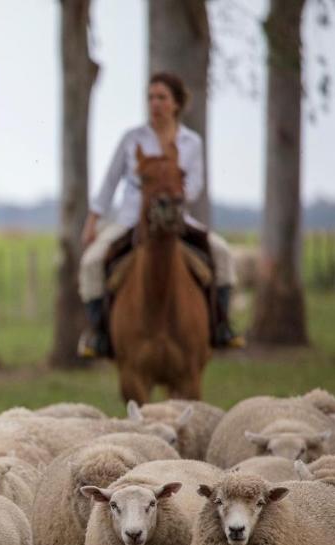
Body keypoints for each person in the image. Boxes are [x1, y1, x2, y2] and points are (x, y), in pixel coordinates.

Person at [77, 71, 243, 358]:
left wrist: (172, 199)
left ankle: (221, 326)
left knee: (223, 254)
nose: (155, 103)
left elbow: (195, 184)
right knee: (91, 263)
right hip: (131, 219)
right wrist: (93, 221)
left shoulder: (192, 143)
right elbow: (109, 182)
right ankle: (98, 334)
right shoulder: (132, 139)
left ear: (176, 103)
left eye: (162, 98)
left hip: (177, 219)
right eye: (151, 97)